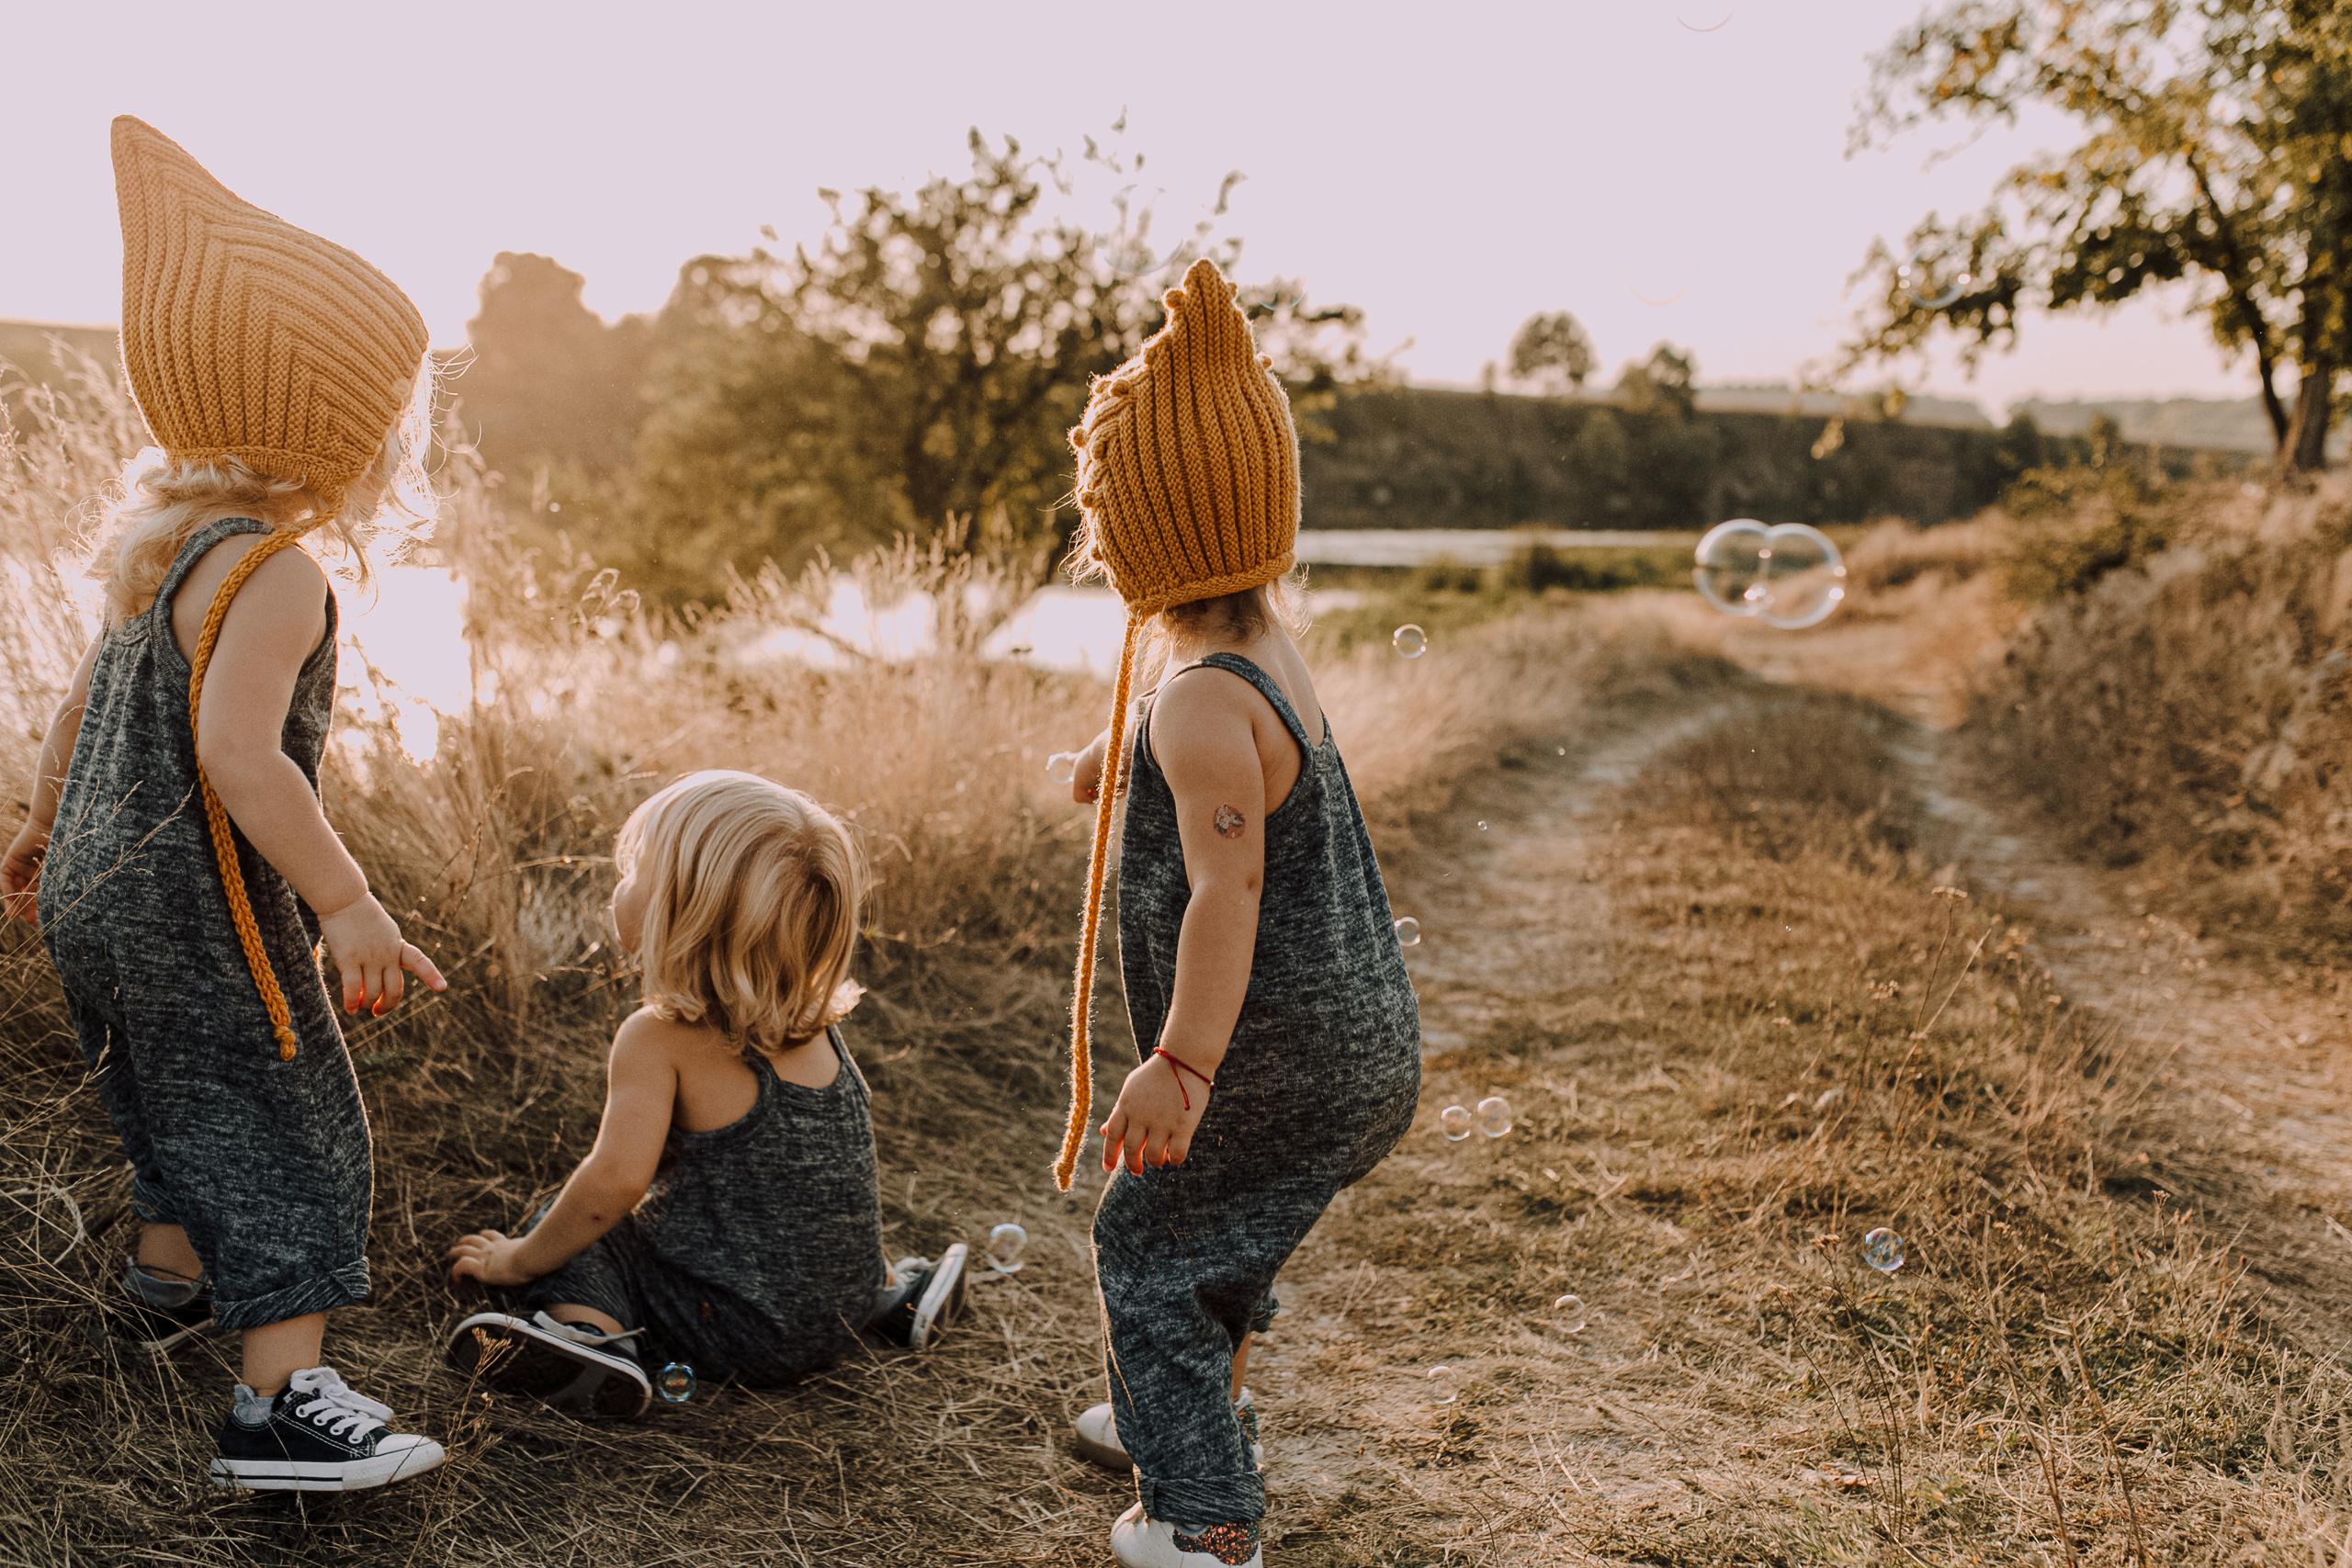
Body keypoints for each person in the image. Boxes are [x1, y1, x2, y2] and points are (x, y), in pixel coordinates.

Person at [1, 118, 449, 1492]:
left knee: (166, 1088)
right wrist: (349, 902)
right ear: (334, 427)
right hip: (196, 901)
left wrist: (35, 830)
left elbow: (80, 712)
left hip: (95, 886)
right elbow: (241, 756)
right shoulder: (277, 569)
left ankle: (163, 1284)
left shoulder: (158, 553)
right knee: (284, 1109)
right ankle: (278, 1405)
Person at [1051, 259, 1422, 1568]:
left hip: (1275, 1048)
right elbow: (1238, 788)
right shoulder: (1260, 656)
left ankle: (1203, 1518)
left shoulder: (1200, 697)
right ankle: (1191, 1408)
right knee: (1225, 1230)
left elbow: (1230, 880)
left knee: (1145, 1242)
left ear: (1141, 532)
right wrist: (1124, 763)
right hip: (1357, 1040)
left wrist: (1182, 1061)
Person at [445, 771, 967, 1416]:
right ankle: (895, 1296)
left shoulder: (656, 1038)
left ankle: (591, 1339)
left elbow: (613, 1184)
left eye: (633, 870)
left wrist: (518, 1261)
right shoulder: (815, 1024)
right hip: (837, 1314)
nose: (618, 886)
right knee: (792, 1204)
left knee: (578, 1224)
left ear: (681, 908)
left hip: (733, 1332)